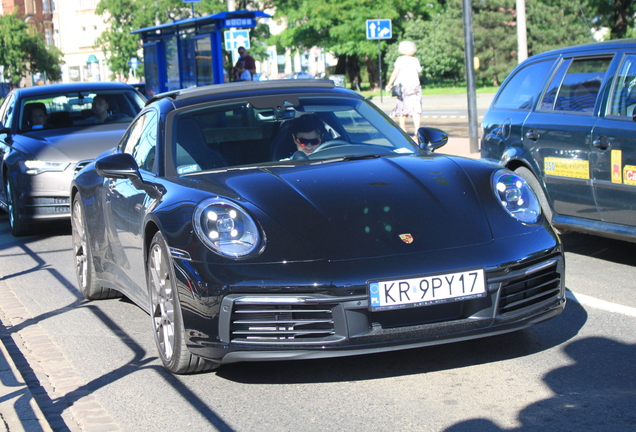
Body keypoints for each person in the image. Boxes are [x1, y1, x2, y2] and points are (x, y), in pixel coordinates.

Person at [385, 41, 422, 141]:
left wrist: (389, 84)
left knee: (402, 109)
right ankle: (417, 133)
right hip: (415, 87)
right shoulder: (415, 60)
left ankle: (404, 132)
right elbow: (418, 74)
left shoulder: (400, 59)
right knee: (416, 110)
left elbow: (395, 73)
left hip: (403, 87)